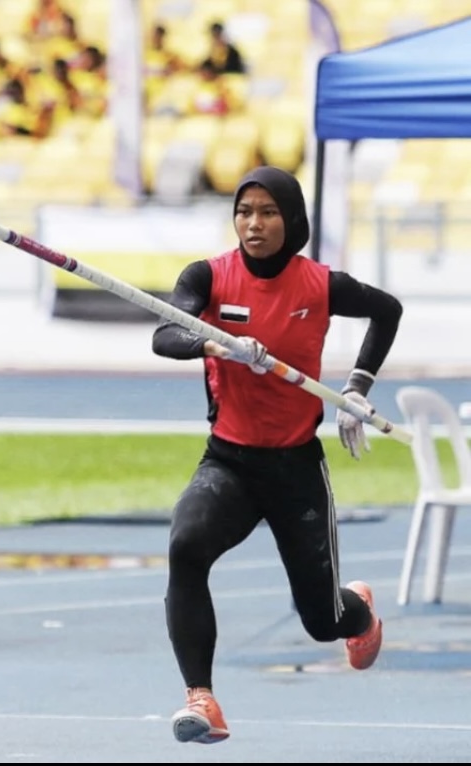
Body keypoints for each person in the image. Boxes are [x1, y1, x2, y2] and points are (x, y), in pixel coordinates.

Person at [150, 166, 401, 745]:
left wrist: (357, 386)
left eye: (267, 213)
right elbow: (165, 335)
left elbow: (388, 310)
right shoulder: (208, 277)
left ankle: (357, 611)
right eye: (244, 212)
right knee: (186, 546)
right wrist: (214, 342)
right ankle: (201, 700)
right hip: (230, 463)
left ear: (292, 221)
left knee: (322, 622)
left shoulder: (320, 284)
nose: (253, 224)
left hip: (295, 469)